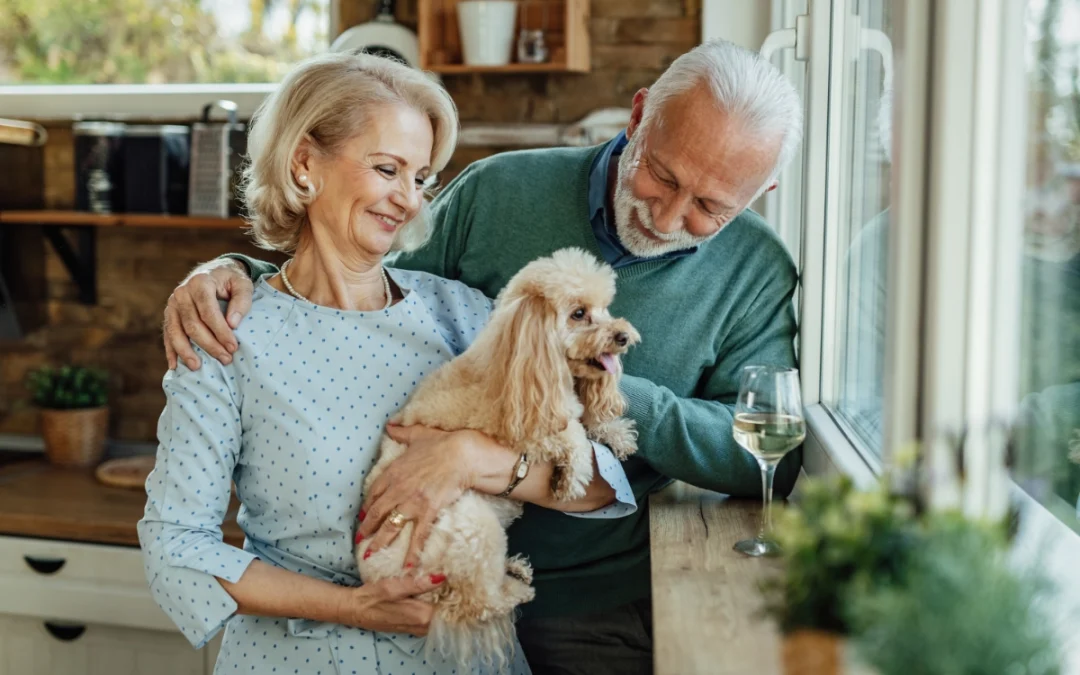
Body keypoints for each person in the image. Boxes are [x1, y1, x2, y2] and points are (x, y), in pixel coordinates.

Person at [163, 39, 805, 675]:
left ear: (762, 190)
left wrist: (562, 394)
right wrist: (237, 273)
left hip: (577, 605)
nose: (668, 216)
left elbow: (674, 467)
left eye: (711, 208)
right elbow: (354, 273)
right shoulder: (496, 196)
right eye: (662, 176)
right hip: (328, 640)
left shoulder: (462, 312)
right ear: (637, 117)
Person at [138, 52, 637, 675]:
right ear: (303, 164)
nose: (408, 199)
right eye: (386, 169)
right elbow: (175, 549)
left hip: (465, 659)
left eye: (421, 177)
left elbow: (599, 486)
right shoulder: (225, 335)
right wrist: (356, 607)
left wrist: (474, 460)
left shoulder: (463, 317)